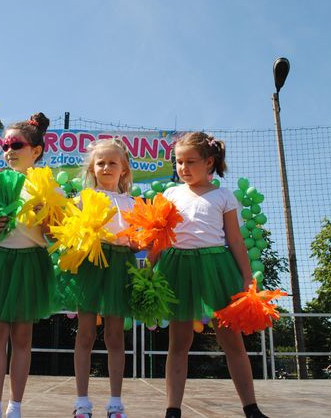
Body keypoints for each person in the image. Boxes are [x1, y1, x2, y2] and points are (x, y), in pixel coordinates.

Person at [155, 132, 268, 418]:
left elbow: (236, 241)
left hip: (216, 268)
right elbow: (160, 236)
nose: (183, 168)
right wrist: (146, 268)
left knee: (232, 342)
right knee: (178, 343)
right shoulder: (170, 194)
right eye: (179, 162)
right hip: (177, 268)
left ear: (209, 163)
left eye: (190, 161)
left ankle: (251, 408)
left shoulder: (223, 196)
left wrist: (246, 277)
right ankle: (172, 409)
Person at [0, 113, 56, 418]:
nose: (9, 151)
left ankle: (14, 405)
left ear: (36, 151)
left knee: (23, 338)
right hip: (0, 261)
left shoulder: (48, 186)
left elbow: (54, 234)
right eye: (5, 145)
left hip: (31, 263)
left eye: (17, 144)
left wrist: (45, 220)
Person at [68, 138, 136, 418]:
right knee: (85, 333)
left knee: (115, 336)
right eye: (101, 163)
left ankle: (115, 402)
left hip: (120, 266)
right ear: (92, 169)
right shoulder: (83, 198)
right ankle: (82, 402)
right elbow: (69, 231)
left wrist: (135, 241)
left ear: (124, 170)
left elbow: (139, 240)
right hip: (91, 265)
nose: (106, 167)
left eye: (112, 163)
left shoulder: (132, 203)